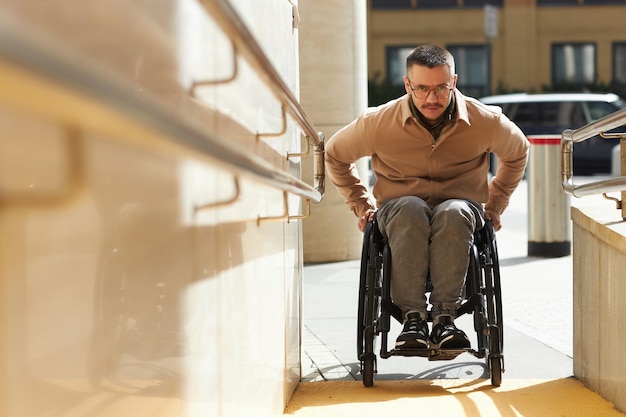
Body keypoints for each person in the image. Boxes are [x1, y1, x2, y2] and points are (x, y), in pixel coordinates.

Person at [325, 44, 528, 351]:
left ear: (454, 82)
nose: (432, 98)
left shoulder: (484, 120)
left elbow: (518, 152)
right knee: (409, 207)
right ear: (408, 85)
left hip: (460, 208)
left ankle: (445, 319)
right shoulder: (379, 122)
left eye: (441, 88)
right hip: (400, 206)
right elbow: (335, 155)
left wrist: (496, 204)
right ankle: (413, 320)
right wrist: (361, 205)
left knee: (454, 211)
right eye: (421, 89)